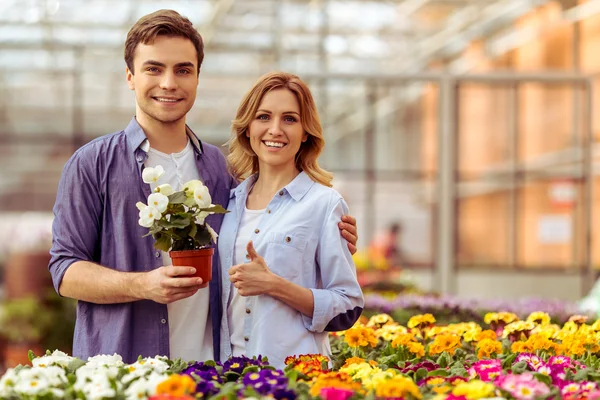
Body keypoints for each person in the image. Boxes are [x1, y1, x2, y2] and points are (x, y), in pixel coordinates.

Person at [48, 10, 359, 364]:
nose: (169, 83)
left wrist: (331, 230)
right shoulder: (92, 164)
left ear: (197, 78)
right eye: (154, 68)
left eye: (183, 69)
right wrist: (143, 285)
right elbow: (65, 271)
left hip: (211, 372)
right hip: (126, 370)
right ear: (130, 77)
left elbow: (270, 224)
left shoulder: (223, 171)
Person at [218, 72, 364, 368]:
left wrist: (273, 284)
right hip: (226, 373)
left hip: (292, 376)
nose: (275, 130)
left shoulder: (324, 204)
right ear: (248, 128)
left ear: (305, 132)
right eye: (263, 117)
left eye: (289, 119)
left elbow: (348, 306)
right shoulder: (226, 204)